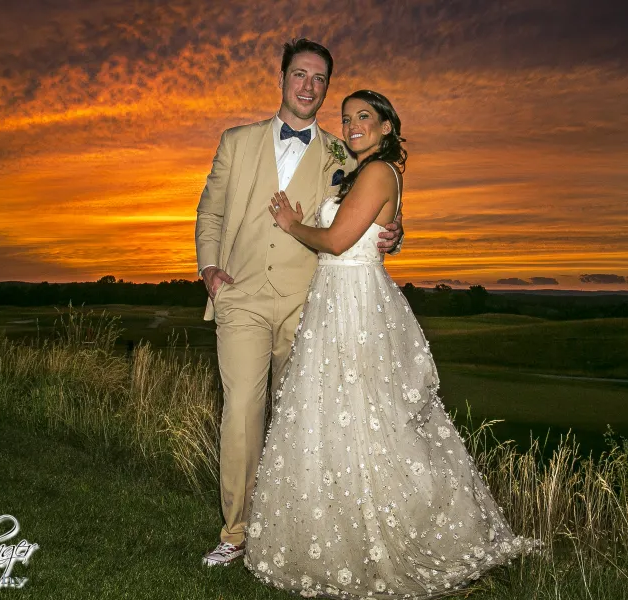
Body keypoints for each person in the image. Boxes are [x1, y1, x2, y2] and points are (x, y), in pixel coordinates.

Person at [243, 90, 539, 598]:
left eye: (364, 117)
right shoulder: (357, 171)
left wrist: (293, 224)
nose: (352, 124)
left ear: (385, 128)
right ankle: (339, 533)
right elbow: (362, 228)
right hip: (334, 299)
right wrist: (389, 230)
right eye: (347, 117)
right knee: (335, 416)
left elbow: (337, 241)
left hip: (355, 302)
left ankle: (397, 534)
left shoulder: (380, 172)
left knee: (370, 418)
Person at [194, 39, 404, 567]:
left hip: (307, 302)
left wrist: (393, 230)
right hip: (240, 294)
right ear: (283, 78)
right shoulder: (236, 141)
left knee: (299, 420)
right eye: (300, 75)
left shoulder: (341, 151)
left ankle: (289, 524)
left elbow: (365, 205)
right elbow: (210, 213)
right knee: (242, 410)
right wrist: (209, 270)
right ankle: (236, 532)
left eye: (319, 79)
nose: (309, 86)